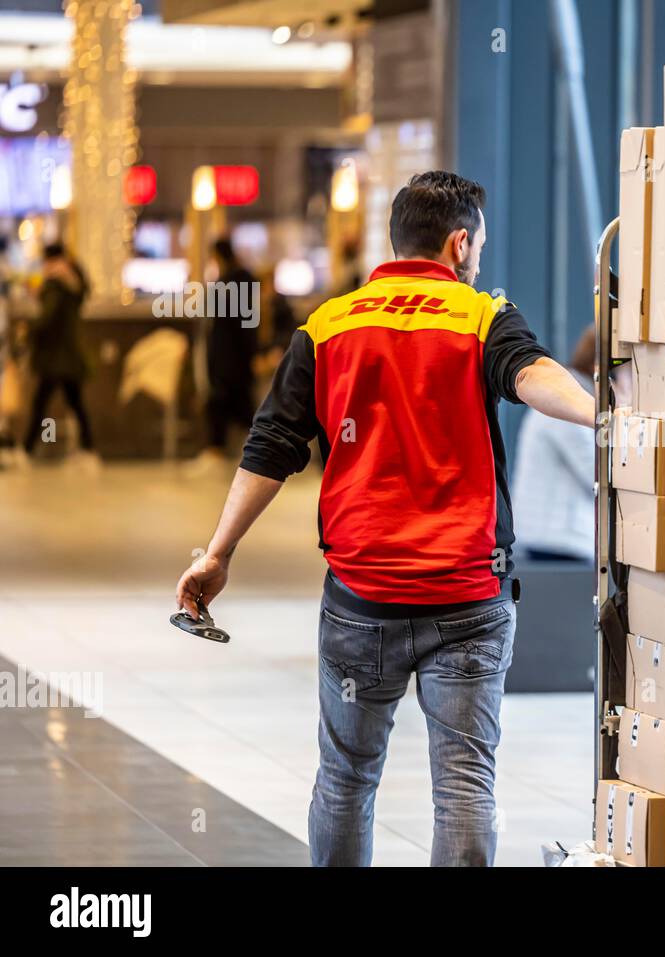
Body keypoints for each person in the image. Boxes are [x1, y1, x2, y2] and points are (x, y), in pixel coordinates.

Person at [173, 171, 595, 867]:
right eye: (478, 245)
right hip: (467, 597)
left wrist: (217, 552)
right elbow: (531, 374)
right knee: (464, 782)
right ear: (459, 243)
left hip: (360, 598)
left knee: (345, 778)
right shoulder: (481, 316)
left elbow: (271, 444)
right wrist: (601, 411)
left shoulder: (330, 325)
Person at [510, 325, 596, 561]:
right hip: (558, 539)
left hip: (554, 535)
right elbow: (596, 474)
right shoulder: (571, 404)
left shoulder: (568, 396)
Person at [20, 243, 98, 470]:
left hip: (55, 357)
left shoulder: (54, 284)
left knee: (42, 404)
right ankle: (88, 450)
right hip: (71, 355)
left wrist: (28, 329)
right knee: (74, 403)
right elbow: (84, 292)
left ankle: (28, 449)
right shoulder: (73, 281)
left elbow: (47, 319)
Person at [187, 237, 259, 475]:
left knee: (228, 402)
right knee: (236, 403)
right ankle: (223, 450)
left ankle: (221, 451)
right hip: (233, 356)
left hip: (227, 357)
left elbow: (234, 325)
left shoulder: (231, 283)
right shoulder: (239, 281)